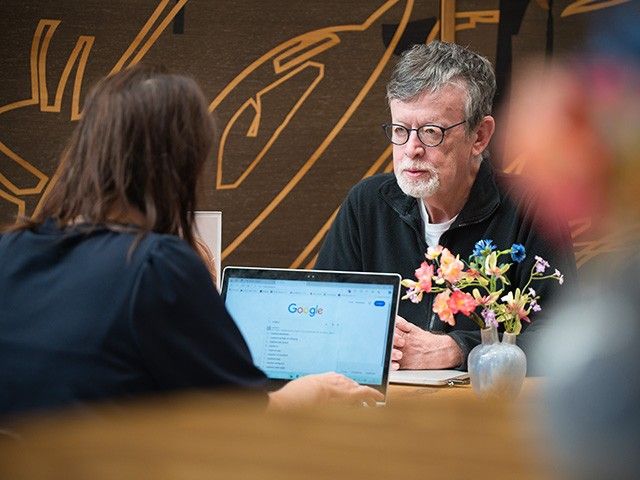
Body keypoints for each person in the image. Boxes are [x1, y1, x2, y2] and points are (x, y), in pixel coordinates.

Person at [0, 65, 382, 416]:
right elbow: (246, 415)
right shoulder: (155, 265)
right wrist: (316, 390)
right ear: (181, 162)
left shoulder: (11, 249)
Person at [315, 41, 576, 371]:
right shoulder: (367, 205)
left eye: (430, 132)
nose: (411, 149)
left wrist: (459, 348)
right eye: (400, 130)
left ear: (479, 136)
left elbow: (564, 340)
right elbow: (321, 317)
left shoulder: (532, 206)